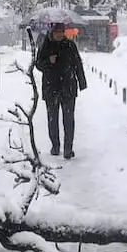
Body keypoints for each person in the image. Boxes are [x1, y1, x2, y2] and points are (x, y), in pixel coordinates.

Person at [35, 22, 87, 159]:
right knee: (52, 119)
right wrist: (48, 61)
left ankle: (68, 148)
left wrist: (82, 82)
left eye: (61, 32)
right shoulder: (45, 45)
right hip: (51, 87)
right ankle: (55, 146)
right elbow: (38, 64)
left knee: (68, 119)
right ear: (52, 32)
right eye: (56, 32)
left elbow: (78, 64)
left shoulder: (70, 45)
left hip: (68, 86)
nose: (59, 34)